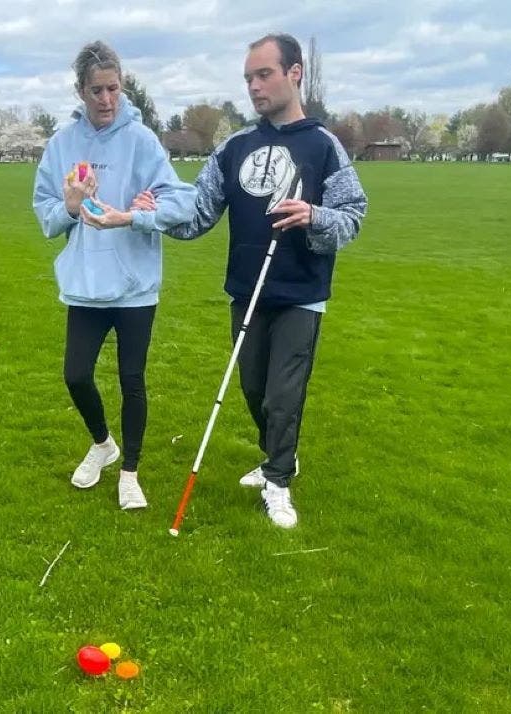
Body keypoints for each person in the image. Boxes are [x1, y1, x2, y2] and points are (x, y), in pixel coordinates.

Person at [137, 34, 367, 528]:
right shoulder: (235, 146)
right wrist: (155, 214)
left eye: (264, 75)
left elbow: (352, 215)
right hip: (247, 290)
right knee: (254, 388)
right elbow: (198, 214)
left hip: (301, 294)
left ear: (295, 73)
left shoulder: (323, 146)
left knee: (283, 395)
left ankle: (278, 480)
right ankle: (279, 454)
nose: (254, 86)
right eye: (248, 78)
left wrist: (314, 216)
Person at [33, 41, 196, 510]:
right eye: (96, 91)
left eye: (114, 89)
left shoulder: (141, 140)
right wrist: (69, 207)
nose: (106, 100)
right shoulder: (62, 145)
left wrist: (138, 214)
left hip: (134, 287)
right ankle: (104, 444)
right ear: (80, 91)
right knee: (76, 375)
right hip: (85, 285)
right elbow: (45, 213)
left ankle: (130, 473)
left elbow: (181, 201)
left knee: (132, 380)